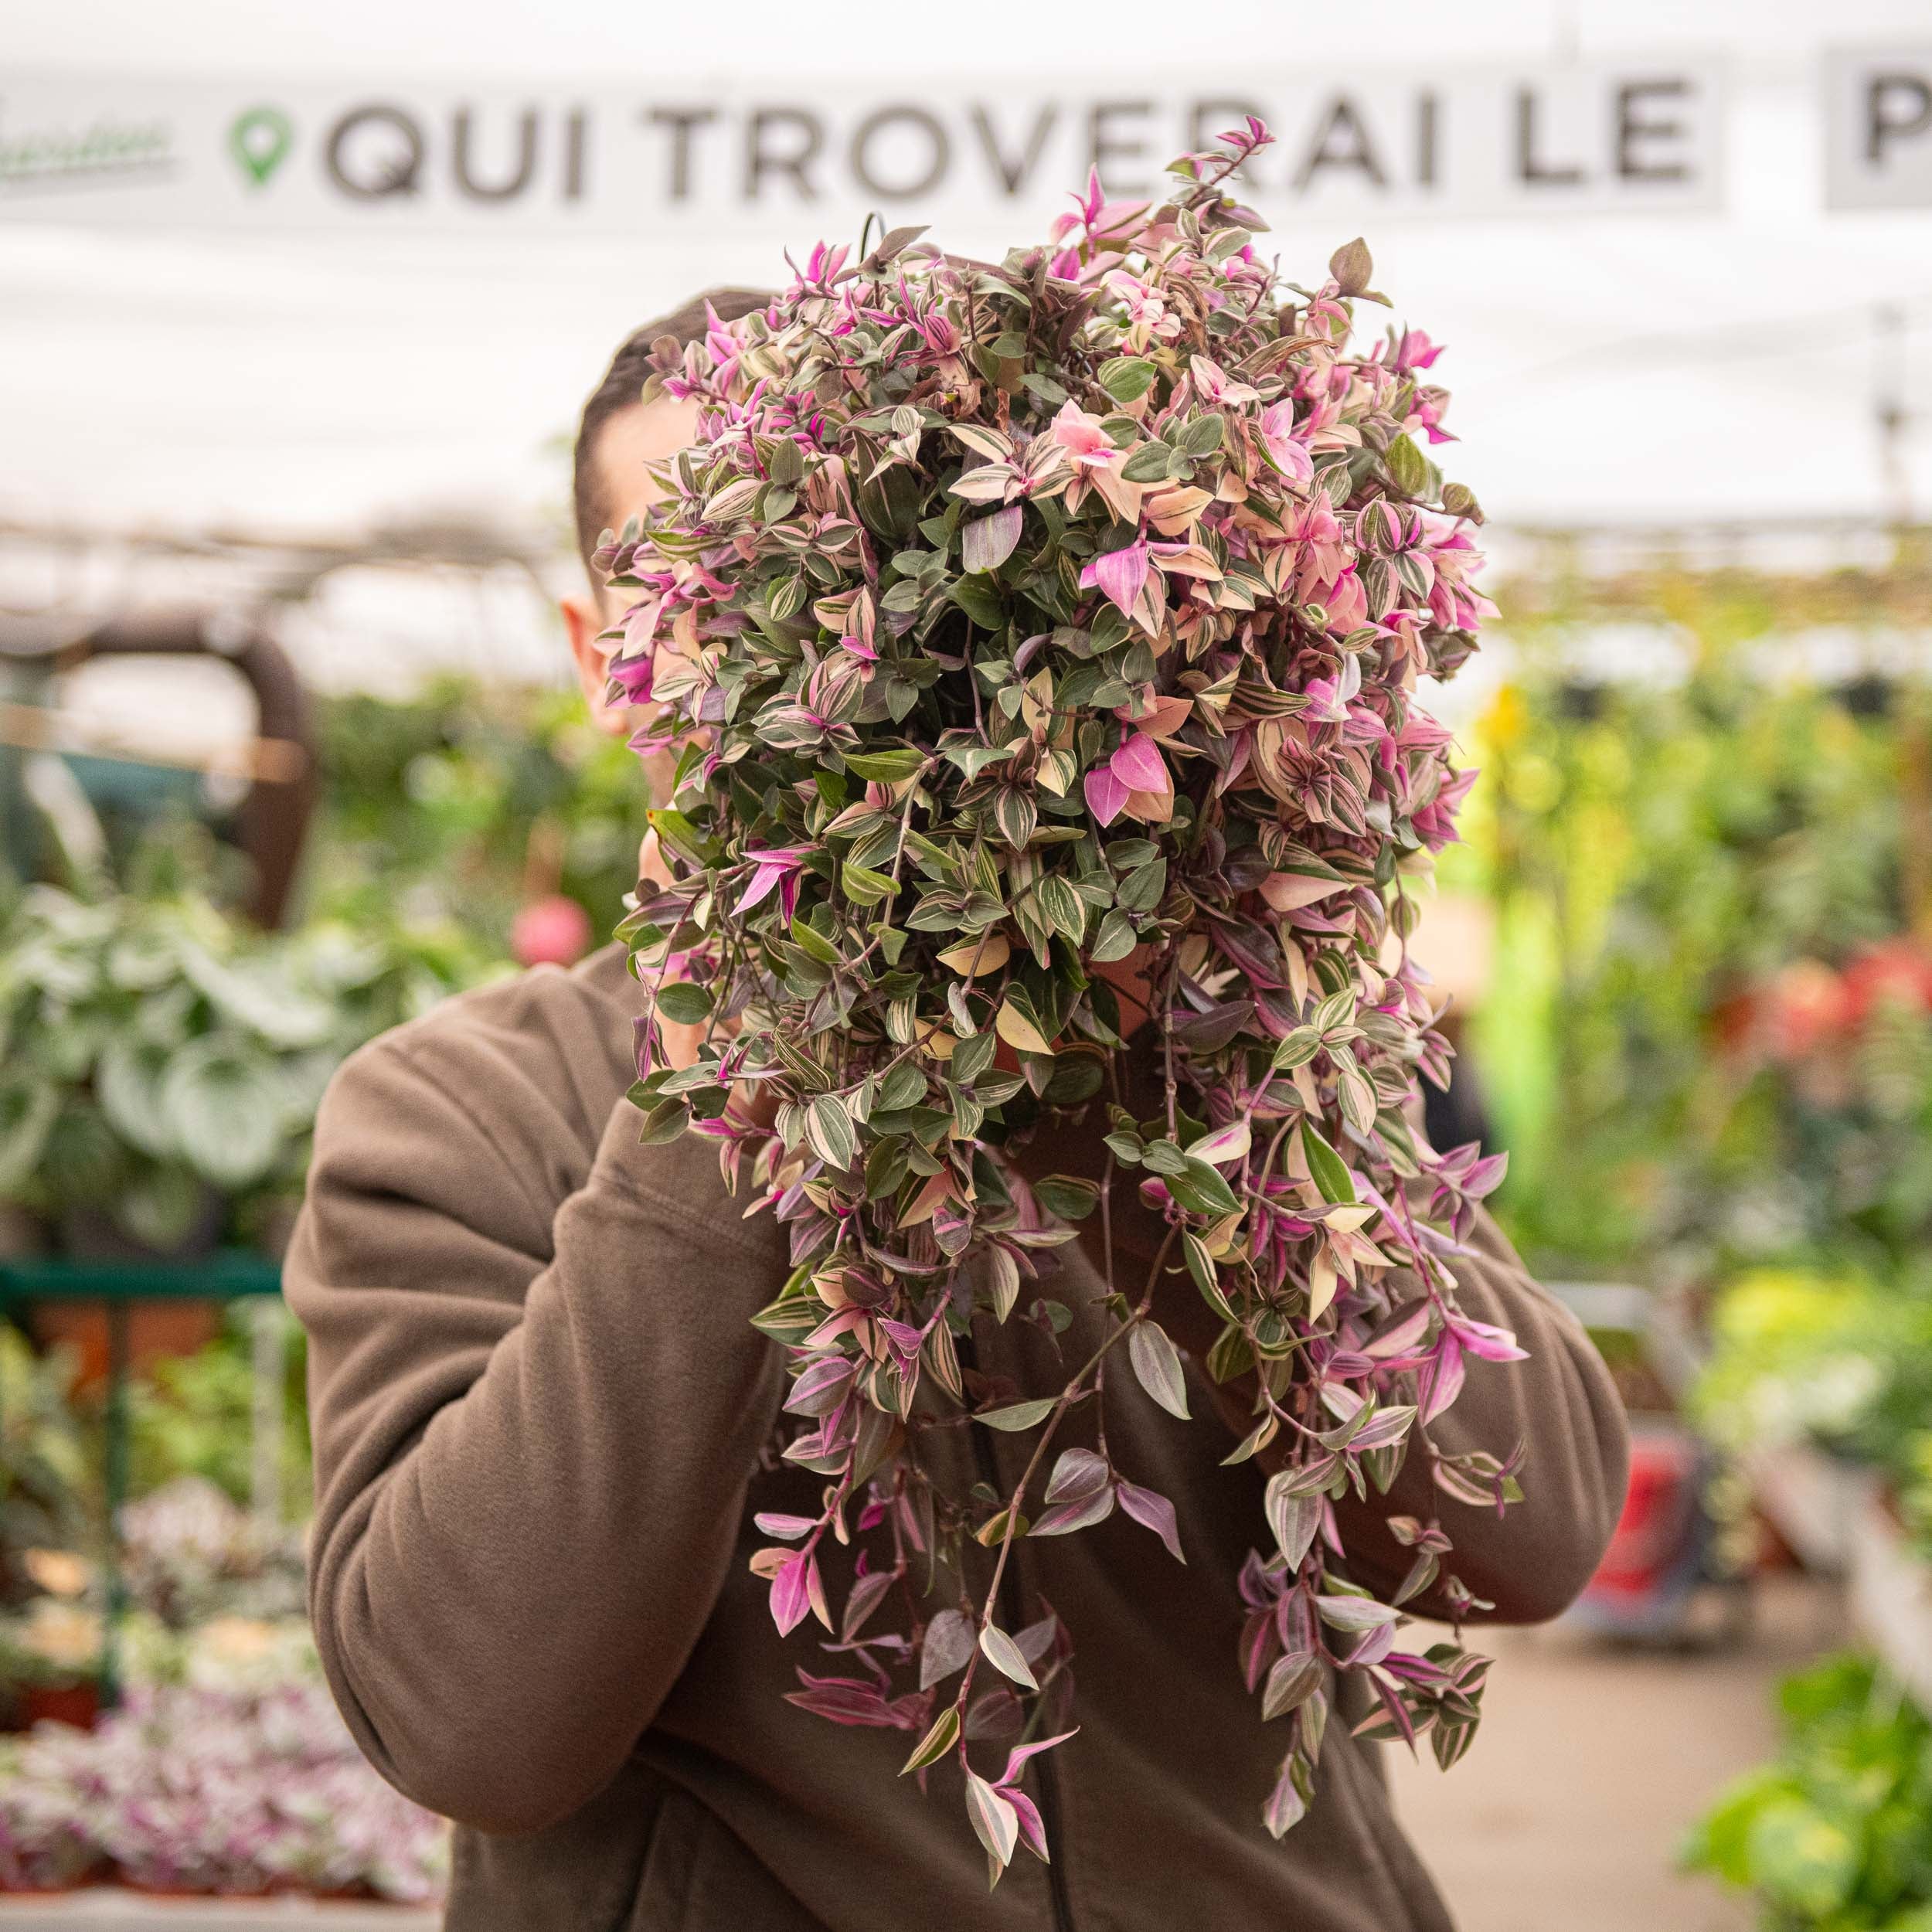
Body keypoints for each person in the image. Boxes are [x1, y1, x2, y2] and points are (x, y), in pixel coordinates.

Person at [286, 293, 1631, 1932]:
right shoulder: (468, 1112)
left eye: (844, 564)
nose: (807, 646)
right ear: (604, 664)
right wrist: (728, 1075)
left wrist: (1215, 1060)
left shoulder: (1216, 1032)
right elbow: (465, 1715)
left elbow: (1537, 1528)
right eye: (705, 585)